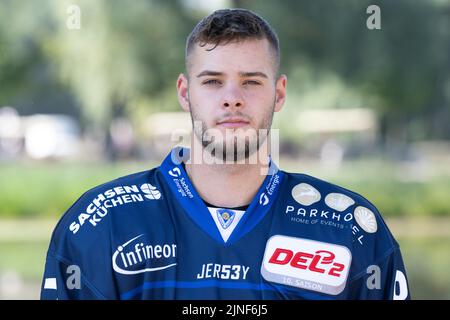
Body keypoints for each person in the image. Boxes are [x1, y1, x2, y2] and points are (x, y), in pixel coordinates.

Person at [40, 8, 410, 300]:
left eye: (251, 81)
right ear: (184, 92)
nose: (232, 97)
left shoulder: (349, 229)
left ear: (279, 94)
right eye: (212, 81)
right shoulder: (101, 224)